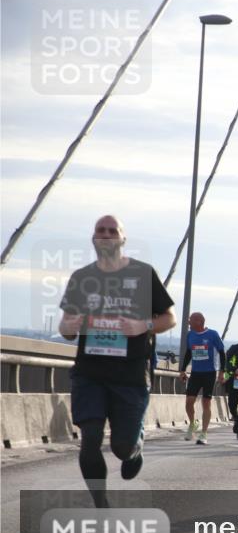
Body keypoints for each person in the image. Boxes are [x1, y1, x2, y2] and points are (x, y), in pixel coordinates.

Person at [58, 215, 176, 508]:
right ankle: (101, 503)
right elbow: (66, 327)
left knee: (122, 447)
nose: (106, 234)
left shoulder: (143, 273)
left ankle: (134, 449)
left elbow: (169, 318)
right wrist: (71, 325)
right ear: (93, 238)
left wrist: (142, 326)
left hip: (130, 375)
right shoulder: (82, 278)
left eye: (113, 231)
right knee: (90, 440)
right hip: (89, 374)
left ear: (123, 239)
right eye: (101, 230)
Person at [178, 312, 225, 445]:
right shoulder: (190, 335)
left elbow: (222, 353)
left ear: (199, 321)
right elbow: (189, 352)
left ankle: (203, 433)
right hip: (195, 373)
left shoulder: (213, 334)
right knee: (189, 401)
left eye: (190, 320)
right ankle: (193, 424)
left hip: (210, 373)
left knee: (206, 402)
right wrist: (182, 370)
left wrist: (222, 372)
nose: (188, 322)